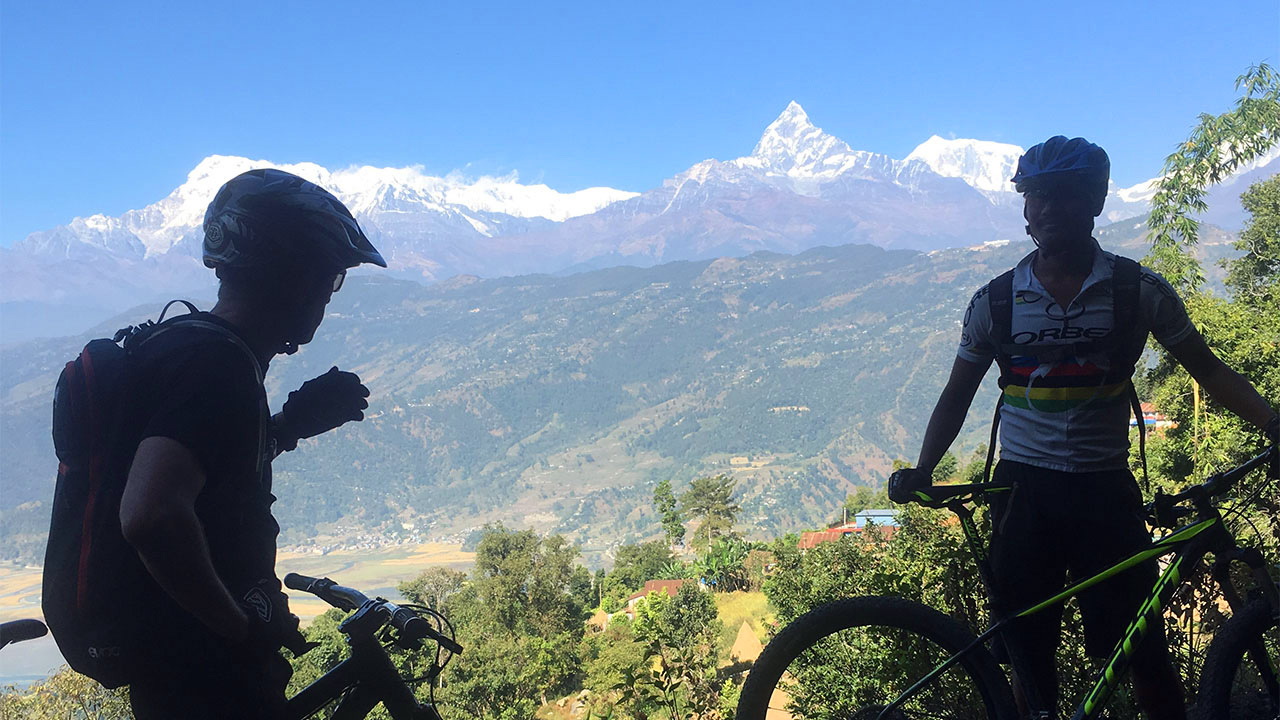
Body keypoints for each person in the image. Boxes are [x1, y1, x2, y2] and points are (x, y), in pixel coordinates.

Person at [889, 136, 1279, 719]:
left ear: (1096, 201)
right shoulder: (995, 301)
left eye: (1065, 195)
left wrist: (1273, 422)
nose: (1048, 208)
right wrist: (923, 467)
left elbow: (1209, 372)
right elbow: (957, 394)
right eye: (1036, 195)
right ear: (1024, 207)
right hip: (1022, 494)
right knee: (1026, 654)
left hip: (1105, 491)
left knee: (1141, 650)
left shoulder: (1138, 291)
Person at [118, 168, 387, 718]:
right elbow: (150, 513)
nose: (328, 296)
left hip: (180, 666)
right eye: (329, 276)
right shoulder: (215, 365)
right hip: (205, 679)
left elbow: (204, 481)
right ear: (291, 274)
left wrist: (287, 426)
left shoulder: (190, 347)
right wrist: (240, 629)